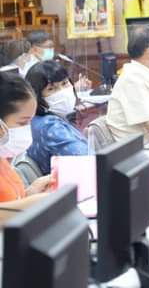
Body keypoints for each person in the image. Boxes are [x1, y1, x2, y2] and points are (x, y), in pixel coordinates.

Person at [0, 72, 53, 223]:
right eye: (22, 122)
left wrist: (31, 193)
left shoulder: (3, 159)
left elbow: (9, 202)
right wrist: (32, 204)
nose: (27, 129)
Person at [24, 61, 88, 175]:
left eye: (65, 83)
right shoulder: (49, 126)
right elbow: (87, 160)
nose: (62, 92)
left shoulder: (43, 119)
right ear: (37, 96)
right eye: (51, 89)